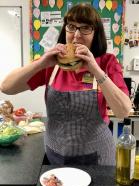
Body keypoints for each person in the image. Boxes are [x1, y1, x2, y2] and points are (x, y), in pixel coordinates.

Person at [0, 3, 132, 165]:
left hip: (98, 156)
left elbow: (124, 111)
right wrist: (40, 63)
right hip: (56, 154)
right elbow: (6, 87)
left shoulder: (107, 62)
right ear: (65, 30)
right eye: (71, 27)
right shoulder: (52, 63)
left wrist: (96, 70)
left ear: (95, 33)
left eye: (85, 28)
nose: (76, 35)